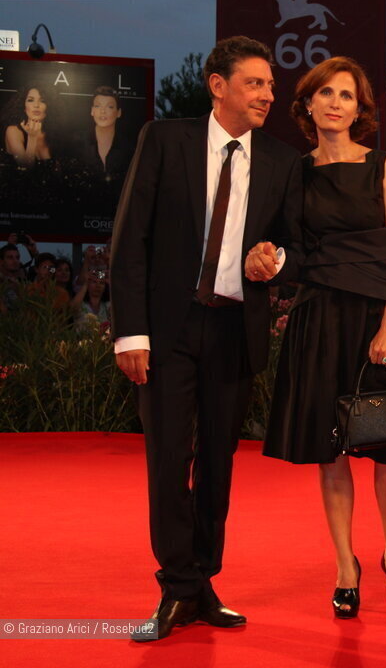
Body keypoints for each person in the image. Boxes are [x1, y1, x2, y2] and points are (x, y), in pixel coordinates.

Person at [110, 36, 304, 642]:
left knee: (218, 465)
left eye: (271, 86)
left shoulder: (281, 161)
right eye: (255, 83)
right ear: (217, 85)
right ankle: (177, 584)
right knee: (170, 460)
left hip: (233, 328)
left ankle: (202, 580)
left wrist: (276, 262)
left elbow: (295, 248)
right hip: (166, 331)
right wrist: (130, 334)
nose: (268, 95)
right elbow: (129, 240)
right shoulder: (165, 140)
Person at [260, 56, 386, 619]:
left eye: (347, 95)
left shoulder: (384, 167)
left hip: (378, 318)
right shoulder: (294, 172)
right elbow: (294, 252)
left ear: (361, 108)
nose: (335, 102)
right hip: (319, 318)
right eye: (324, 93)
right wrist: (271, 262)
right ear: (307, 105)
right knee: (332, 451)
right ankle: (345, 564)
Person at [83, 86, 135, 185]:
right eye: (98, 106)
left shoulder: (129, 149)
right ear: (92, 111)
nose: (103, 111)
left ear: (118, 112)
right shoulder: (77, 143)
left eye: (109, 106)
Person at [3, 85, 53, 166]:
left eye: (42, 101)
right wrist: (32, 137)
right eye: (30, 100)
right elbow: (25, 169)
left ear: (50, 106)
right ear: (23, 106)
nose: (36, 105)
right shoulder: (13, 130)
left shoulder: (54, 135)